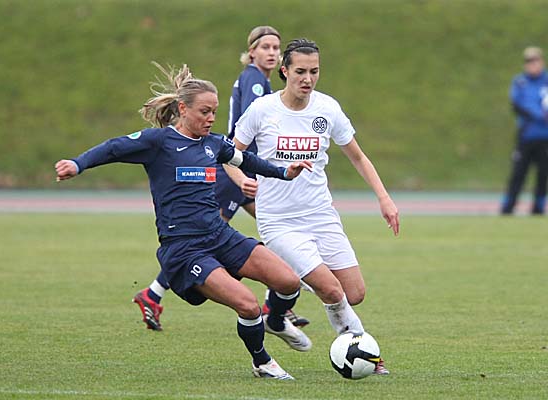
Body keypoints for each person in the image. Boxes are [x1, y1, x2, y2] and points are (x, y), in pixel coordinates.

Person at [54, 64, 313, 379]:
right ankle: (262, 362)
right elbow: (113, 148)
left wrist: (284, 172)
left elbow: (245, 159)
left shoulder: (213, 144)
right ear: (182, 109)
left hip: (220, 235)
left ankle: (275, 320)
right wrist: (78, 164)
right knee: (248, 305)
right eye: (204, 111)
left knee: (288, 281)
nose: (211, 118)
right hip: (184, 248)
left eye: (214, 111)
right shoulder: (158, 142)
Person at [225, 38, 400, 375]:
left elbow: (358, 157)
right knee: (330, 289)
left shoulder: (327, 108)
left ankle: (286, 289)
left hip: (321, 215)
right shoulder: (263, 110)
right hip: (278, 221)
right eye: (301, 72)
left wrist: (384, 198)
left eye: (314, 71)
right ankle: (366, 354)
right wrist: (240, 179)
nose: (308, 79)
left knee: (354, 292)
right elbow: (230, 153)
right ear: (285, 71)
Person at [133, 26, 309, 331]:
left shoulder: (260, 80)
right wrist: (246, 172)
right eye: (265, 47)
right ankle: (154, 293)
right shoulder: (254, 79)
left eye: (275, 48)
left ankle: (278, 296)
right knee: (209, 238)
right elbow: (253, 124)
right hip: (232, 168)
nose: (271, 53)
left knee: (272, 225)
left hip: (239, 166)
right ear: (251, 52)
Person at [501, 46, 548, 215]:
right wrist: (540, 114)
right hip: (526, 135)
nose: (532, 64)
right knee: (518, 172)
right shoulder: (520, 82)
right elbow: (517, 105)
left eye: (535, 61)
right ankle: (508, 206)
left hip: (545, 136)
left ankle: (538, 207)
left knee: (543, 173)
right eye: (529, 61)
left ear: (541, 61)